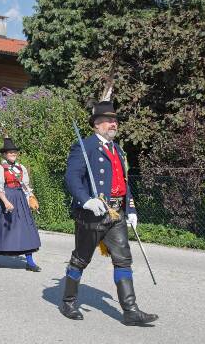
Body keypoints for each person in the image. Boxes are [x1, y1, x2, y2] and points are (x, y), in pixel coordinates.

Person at [60, 101, 158, 325]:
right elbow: (72, 177)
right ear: (96, 124)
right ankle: (68, 302)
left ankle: (130, 311)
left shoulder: (118, 149)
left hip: (116, 213)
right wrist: (86, 200)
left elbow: (124, 182)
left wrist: (131, 208)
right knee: (81, 259)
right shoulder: (84, 147)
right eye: (108, 120)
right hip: (92, 213)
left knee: (123, 260)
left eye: (115, 120)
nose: (113, 123)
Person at [0, 137, 42, 271]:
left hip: (20, 199)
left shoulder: (21, 168)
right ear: (4, 154)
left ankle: (30, 262)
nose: (13, 154)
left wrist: (31, 197)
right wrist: (5, 202)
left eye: (14, 152)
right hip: (6, 198)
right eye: (10, 152)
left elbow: (25, 185)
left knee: (26, 229)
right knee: (2, 229)